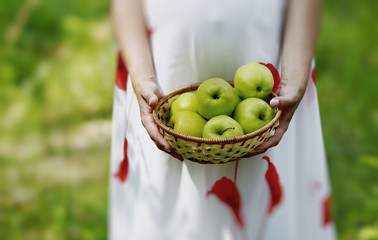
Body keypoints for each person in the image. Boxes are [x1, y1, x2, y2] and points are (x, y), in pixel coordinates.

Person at [109, 0, 337, 239]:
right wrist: (142, 75)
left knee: (263, 202)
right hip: (161, 70)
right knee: (164, 206)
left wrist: (294, 77)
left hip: (273, 69)